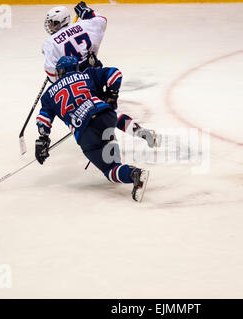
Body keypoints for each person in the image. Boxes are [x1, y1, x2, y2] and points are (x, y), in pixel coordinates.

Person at [42, 2, 160, 148]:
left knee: (84, 117)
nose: (51, 26)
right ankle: (141, 133)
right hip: (94, 75)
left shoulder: (50, 43)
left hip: (76, 84)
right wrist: (87, 12)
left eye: (53, 23)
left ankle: (104, 146)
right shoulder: (84, 25)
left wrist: (55, 79)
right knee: (110, 111)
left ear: (61, 21)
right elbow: (101, 19)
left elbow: (52, 73)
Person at [35, 56, 150, 202]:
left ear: (60, 72)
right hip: (106, 116)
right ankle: (138, 132)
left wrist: (43, 140)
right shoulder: (86, 74)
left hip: (86, 131)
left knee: (110, 169)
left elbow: (43, 120)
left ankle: (134, 174)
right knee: (111, 114)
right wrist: (111, 95)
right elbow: (115, 74)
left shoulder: (48, 95)